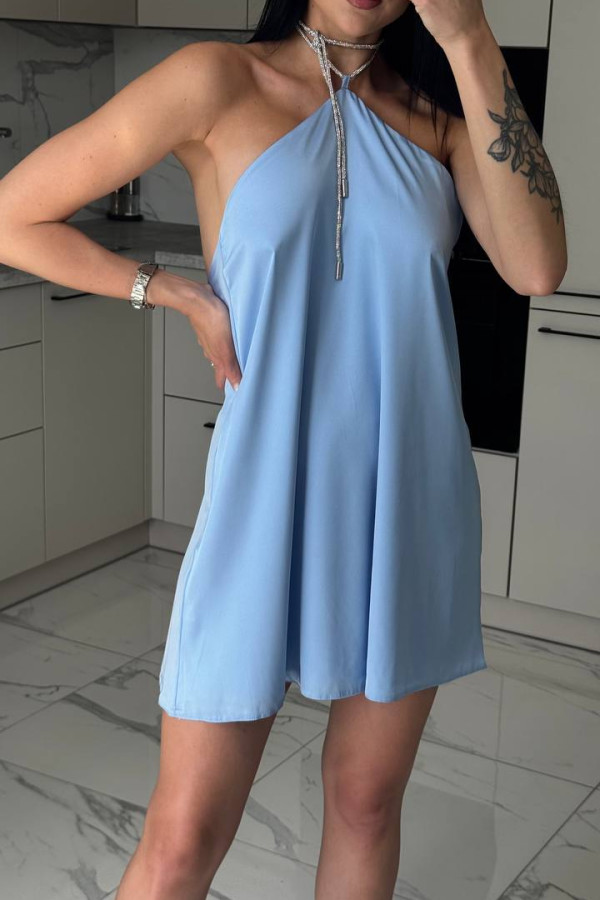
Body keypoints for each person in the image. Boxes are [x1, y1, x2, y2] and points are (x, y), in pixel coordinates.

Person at [0, 1, 566, 897]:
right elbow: (12, 215)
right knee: (184, 835)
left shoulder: (439, 122)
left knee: (366, 804)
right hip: (262, 496)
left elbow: (537, 268)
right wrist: (172, 291)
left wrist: (468, 37)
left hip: (408, 499)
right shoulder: (216, 80)